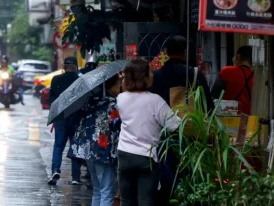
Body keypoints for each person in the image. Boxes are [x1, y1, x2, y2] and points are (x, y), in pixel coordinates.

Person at [117, 59, 180, 206]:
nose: (152, 74)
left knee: (126, 201)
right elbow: (175, 126)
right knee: (145, 201)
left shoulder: (121, 98)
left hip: (124, 155)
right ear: (144, 77)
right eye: (149, 72)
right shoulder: (155, 101)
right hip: (147, 157)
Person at [71, 75, 122, 206]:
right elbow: (117, 124)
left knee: (98, 190)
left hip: (87, 150)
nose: (120, 87)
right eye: (118, 84)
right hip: (103, 151)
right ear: (111, 86)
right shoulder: (112, 104)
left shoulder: (89, 102)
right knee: (107, 191)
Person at [150, 35, 214, 112]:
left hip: (162, 121)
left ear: (166, 52)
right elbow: (207, 104)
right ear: (185, 52)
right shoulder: (195, 74)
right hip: (188, 121)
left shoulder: (156, 75)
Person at [48, 57, 82, 186]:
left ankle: (55, 170)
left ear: (64, 67)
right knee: (74, 147)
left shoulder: (56, 79)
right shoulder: (79, 81)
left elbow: (51, 98)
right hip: (75, 117)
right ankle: (75, 177)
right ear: (75, 67)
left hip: (60, 117)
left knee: (58, 146)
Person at [212, 45, 255, 114]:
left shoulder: (226, 71)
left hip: (226, 117)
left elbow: (214, 94)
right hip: (246, 120)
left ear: (238, 57)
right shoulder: (255, 77)